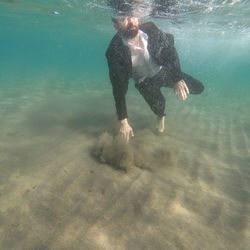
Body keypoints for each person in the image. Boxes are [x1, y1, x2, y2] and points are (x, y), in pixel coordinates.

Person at [105, 15, 204, 142]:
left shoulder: (150, 28)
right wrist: (123, 121)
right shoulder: (114, 51)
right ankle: (161, 117)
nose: (131, 22)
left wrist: (177, 79)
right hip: (144, 81)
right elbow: (118, 87)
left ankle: (175, 85)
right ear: (116, 25)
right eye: (124, 18)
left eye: (133, 17)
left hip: (163, 71)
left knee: (198, 88)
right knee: (159, 107)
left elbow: (170, 51)